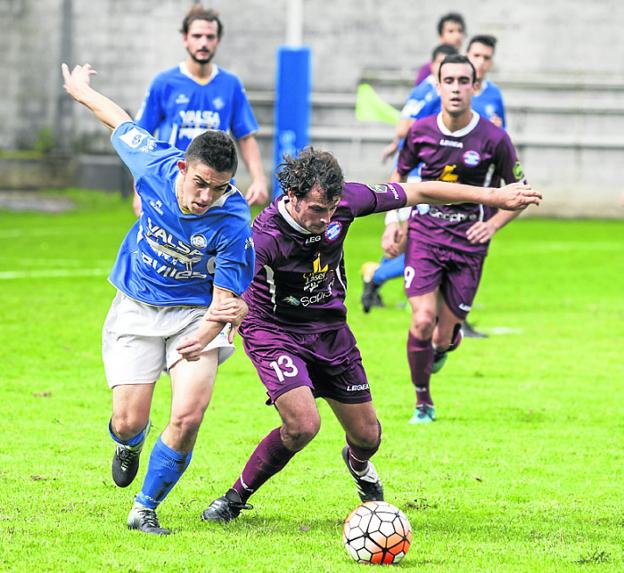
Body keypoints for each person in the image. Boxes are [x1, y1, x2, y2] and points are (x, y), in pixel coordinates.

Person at [200, 148, 540, 523]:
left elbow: (421, 191)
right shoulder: (264, 236)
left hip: (330, 331)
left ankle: (358, 464)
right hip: (274, 331)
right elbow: (230, 286)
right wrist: (228, 317)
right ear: (292, 196)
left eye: (331, 208)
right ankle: (234, 498)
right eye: (316, 209)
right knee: (302, 425)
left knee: (368, 437)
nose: (327, 218)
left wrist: (495, 197)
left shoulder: (345, 200)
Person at [61, 63, 255, 535]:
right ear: (183, 167)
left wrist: (208, 332)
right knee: (129, 420)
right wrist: (81, 88)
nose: (206, 196)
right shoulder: (154, 162)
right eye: (200, 183)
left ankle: (145, 507)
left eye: (219, 187)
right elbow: (119, 119)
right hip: (137, 303)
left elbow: (228, 293)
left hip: (195, 314)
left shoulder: (232, 217)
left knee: (189, 414)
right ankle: (129, 442)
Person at [385, 54, 534, 425]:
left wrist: (494, 225)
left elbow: (521, 192)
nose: (455, 88)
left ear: (474, 87)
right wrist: (395, 221)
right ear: (437, 86)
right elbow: (399, 179)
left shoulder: (494, 138)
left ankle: (442, 346)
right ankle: (423, 403)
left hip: (469, 238)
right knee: (421, 320)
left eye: (462, 81)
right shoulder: (420, 132)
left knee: (442, 336)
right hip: (425, 232)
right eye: (448, 81)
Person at [132, 6, 268, 215]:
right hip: (170, 187)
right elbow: (141, 138)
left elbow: (246, 137)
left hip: (215, 191)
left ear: (218, 40)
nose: (203, 42)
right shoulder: (164, 82)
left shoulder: (230, 84)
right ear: (185, 39)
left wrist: (259, 179)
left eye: (209, 37)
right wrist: (139, 189)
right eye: (197, 36)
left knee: (219, 246)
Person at [414, 12, 466, 86]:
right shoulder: (427, 70)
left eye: (460, 31)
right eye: (451, 31)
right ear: (440, 36)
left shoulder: (467, 66)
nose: (457, 36)